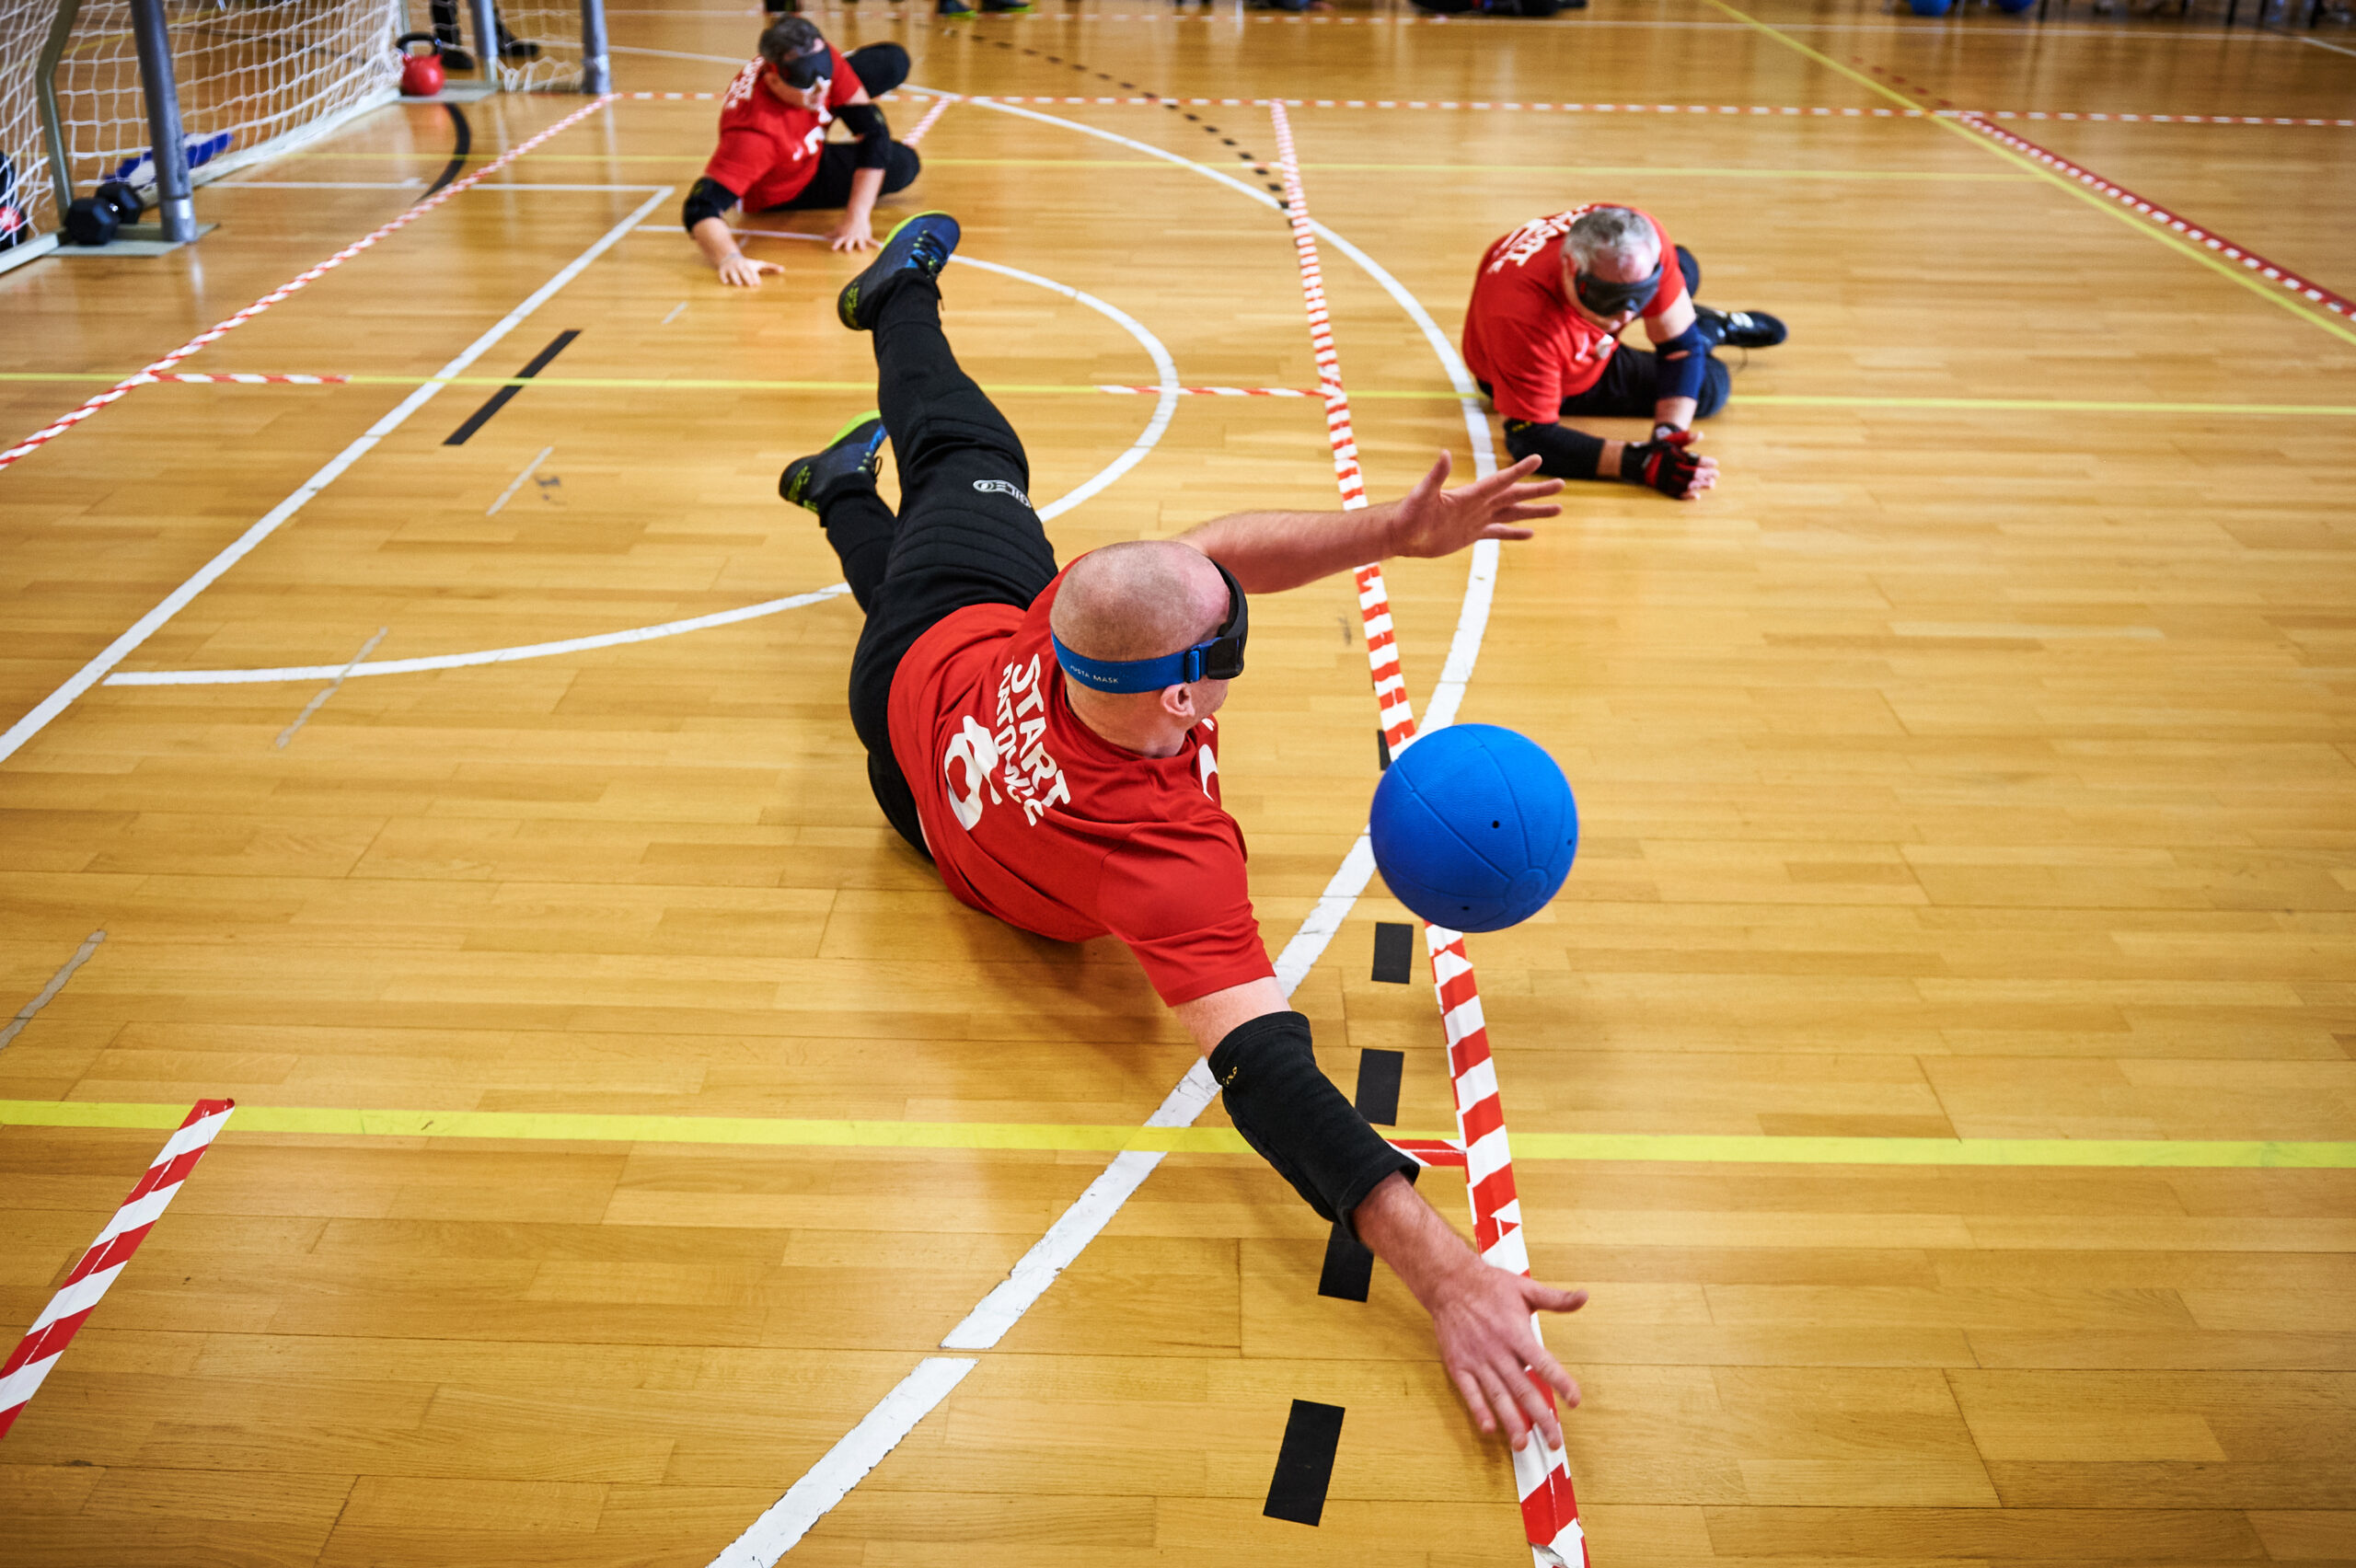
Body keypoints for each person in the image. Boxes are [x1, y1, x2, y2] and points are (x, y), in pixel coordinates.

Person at [780, 211, 1591, 1453]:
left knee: (956, 511)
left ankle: (842, 488)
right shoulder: (1167, 863)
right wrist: (1444, 1273)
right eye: (1231, 640)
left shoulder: (1086, 610)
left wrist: (1392, 533)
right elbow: (1271, 1081)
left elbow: (1213, 559)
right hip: (917, 806)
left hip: (925, 699)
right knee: (964, 444)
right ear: (1182, 691)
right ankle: (892, 307)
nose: (1238, 619)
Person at [1462, 204, 1786, 501]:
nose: (1627, 317)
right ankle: (1705, 328)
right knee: (1711, 386)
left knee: (1683, 264)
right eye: (1611, 299)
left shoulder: (1642, 236)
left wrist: (1668, 434)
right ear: (1571, 267)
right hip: (1550, 363)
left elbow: (1680, 352)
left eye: (1640, 296)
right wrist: (1641, 463)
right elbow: (1530, 440)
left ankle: (1696, 322)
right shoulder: (1522, 319)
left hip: (1570, 314)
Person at [682, 17, 921, 285]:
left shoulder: (817, 64)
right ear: (773, 81)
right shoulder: (754, 137)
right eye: (808, 81)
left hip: (803, 130)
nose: (822, 90)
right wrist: (729, 257)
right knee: (902, 163)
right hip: (789, 182)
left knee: (891, 61)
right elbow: (700, 206)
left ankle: (823, 91)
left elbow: (872, 131)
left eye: (826, 74)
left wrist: (858, 215)